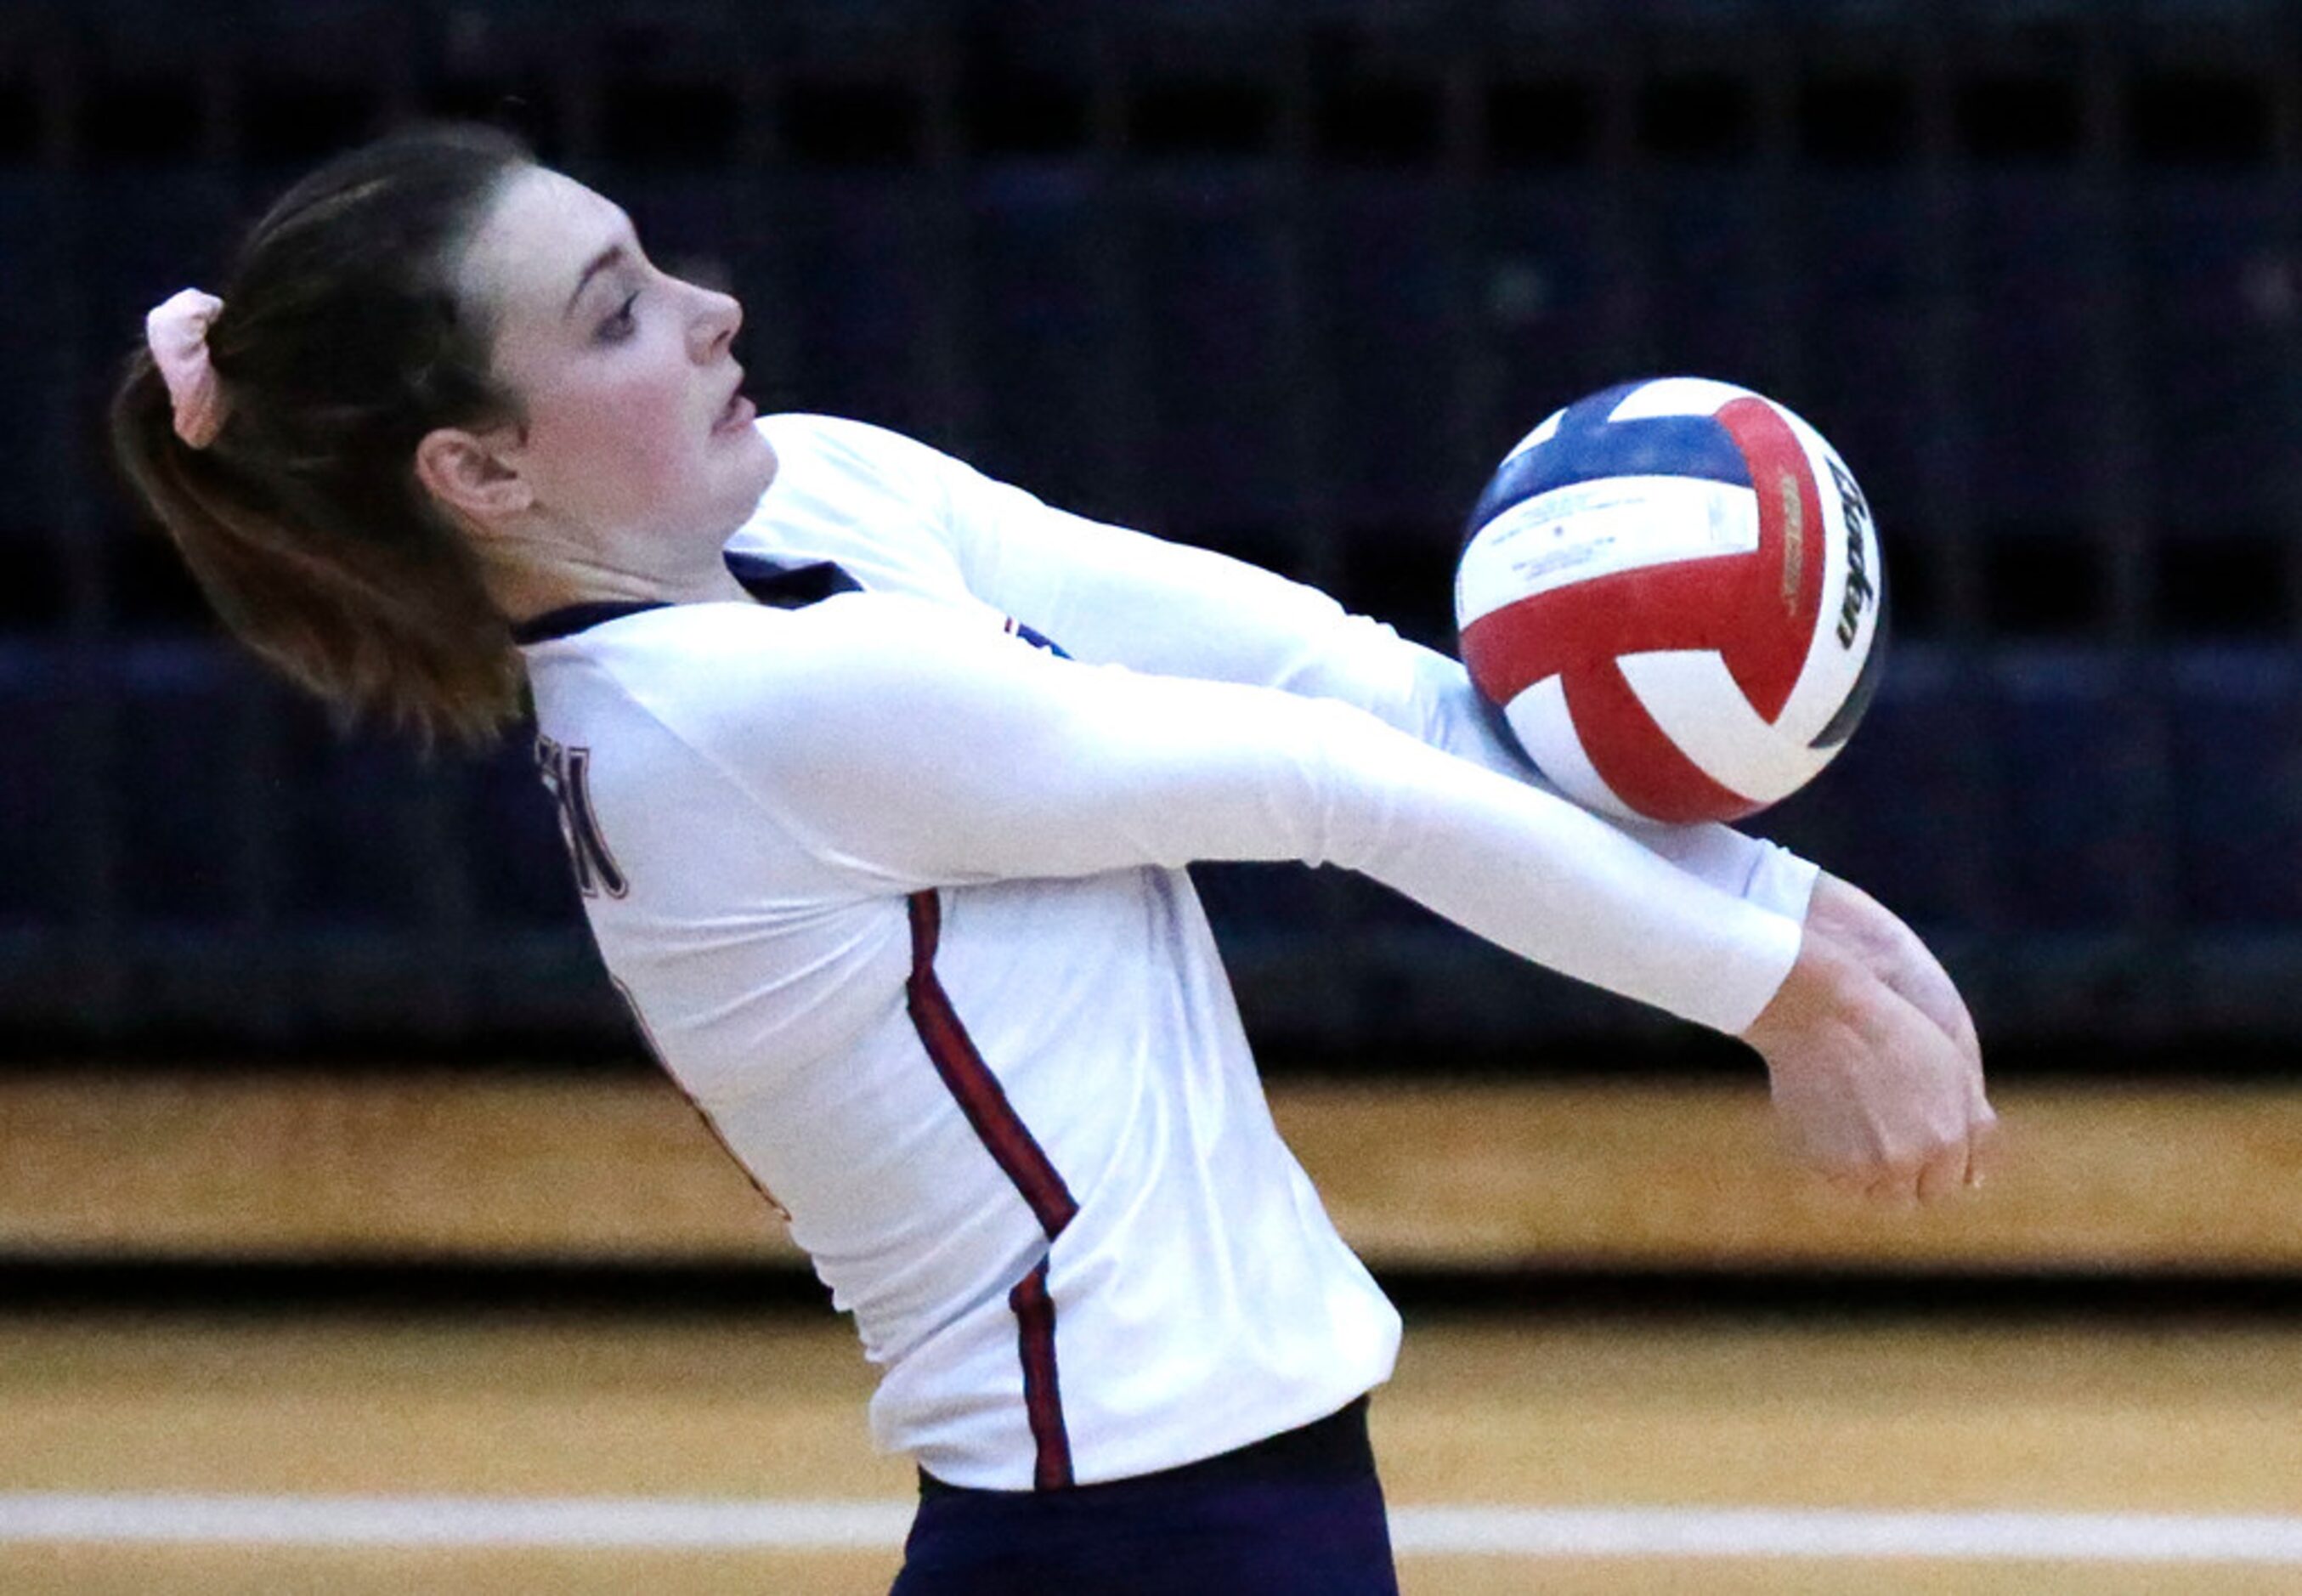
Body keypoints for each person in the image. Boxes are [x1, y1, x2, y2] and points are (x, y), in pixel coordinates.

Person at [111, 122, 1994, 1595]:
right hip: (1128, 1528)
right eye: (613, 312)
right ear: (482, 475)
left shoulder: (818, 494)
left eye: (658, 265)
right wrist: (1787, 995)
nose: (709, 311)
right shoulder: (727, 722)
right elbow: (1334, 791)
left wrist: (1783, 900)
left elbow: (1330, 676)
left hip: (1197, 1496)